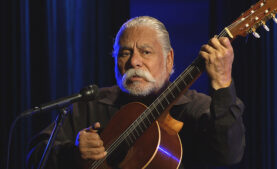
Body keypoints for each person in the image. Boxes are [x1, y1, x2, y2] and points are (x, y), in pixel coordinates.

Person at [27, 16, 245, 169]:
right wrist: (71, 154)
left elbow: (229, 154)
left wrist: (223, 82)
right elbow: (33, 158)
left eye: (146, 51)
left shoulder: (196, 108)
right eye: (125, 53)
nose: (134, 61)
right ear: (115, 61)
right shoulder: (89, 105)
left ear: (169, 60)